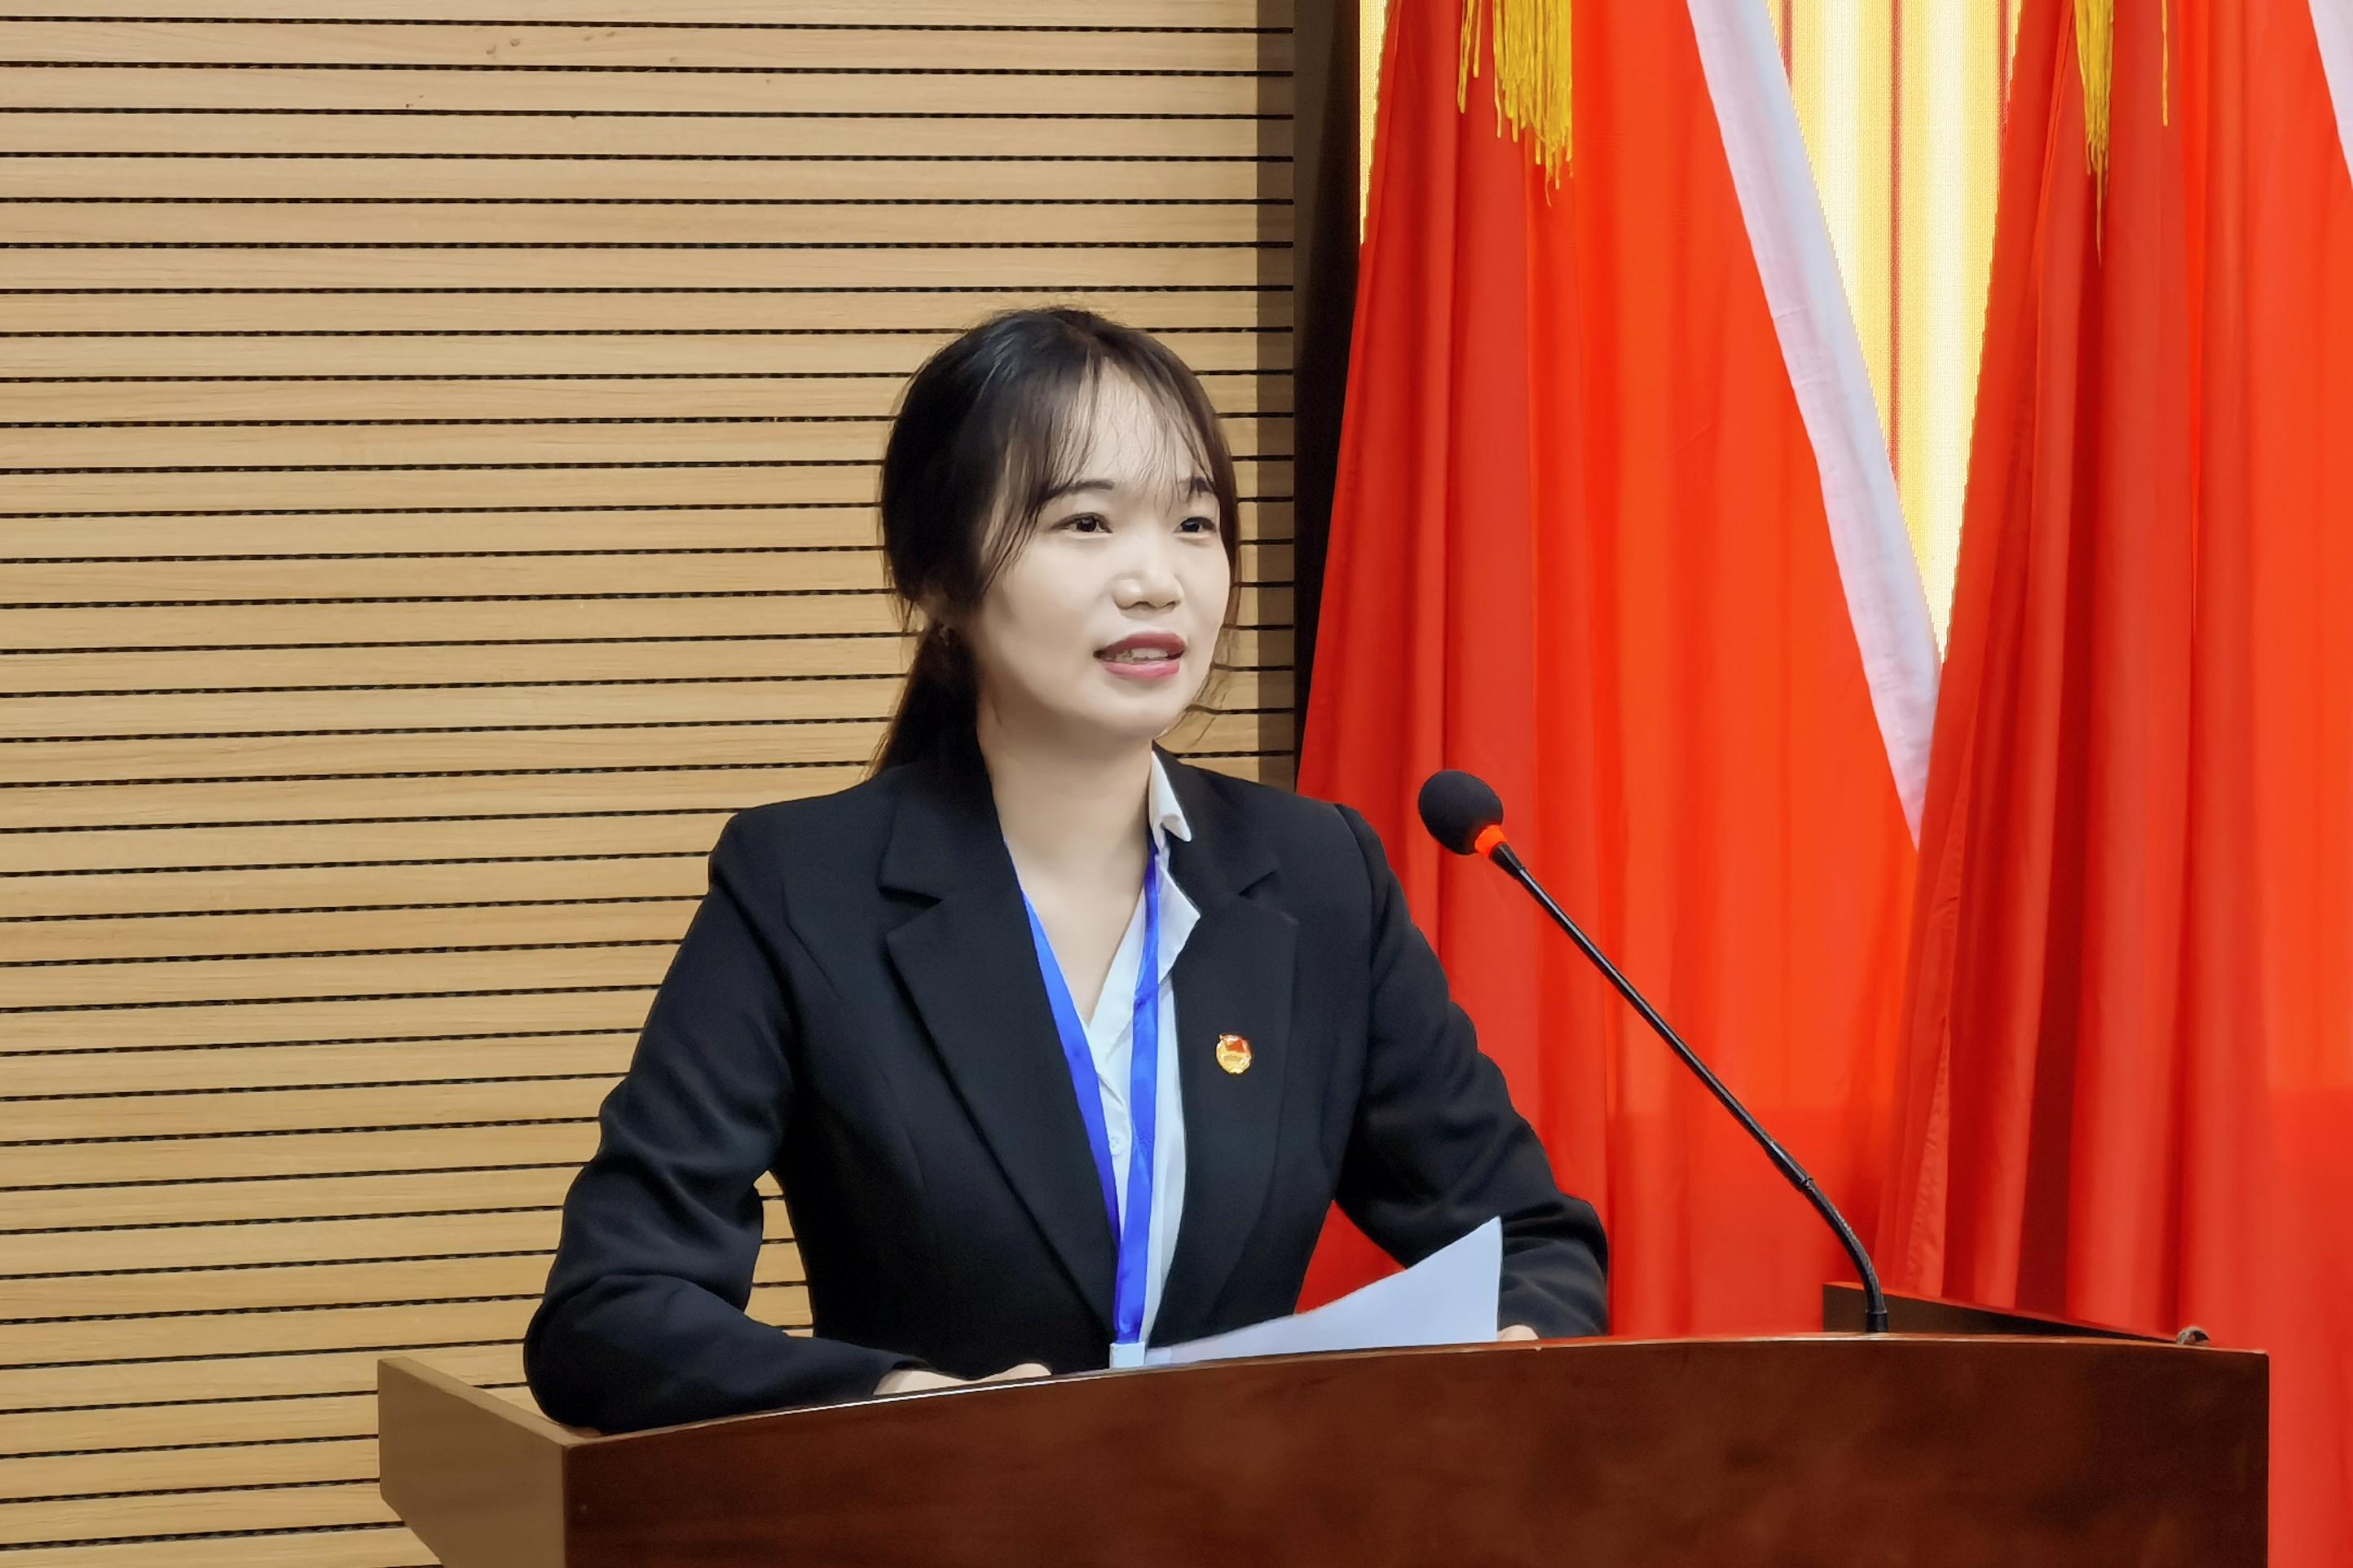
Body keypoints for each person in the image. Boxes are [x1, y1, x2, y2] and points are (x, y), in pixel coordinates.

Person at [523, 308, 1607, 1435]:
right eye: (1086, 522)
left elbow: (1533, 1243)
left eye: (1194, 523)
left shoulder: (1321, 877)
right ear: (940, 576)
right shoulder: (802, 888)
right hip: (947, 1515)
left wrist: (1506, 1349)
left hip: (1257, 1513)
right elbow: (610, 1311)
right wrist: (898, 1405)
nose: (1157, 582)